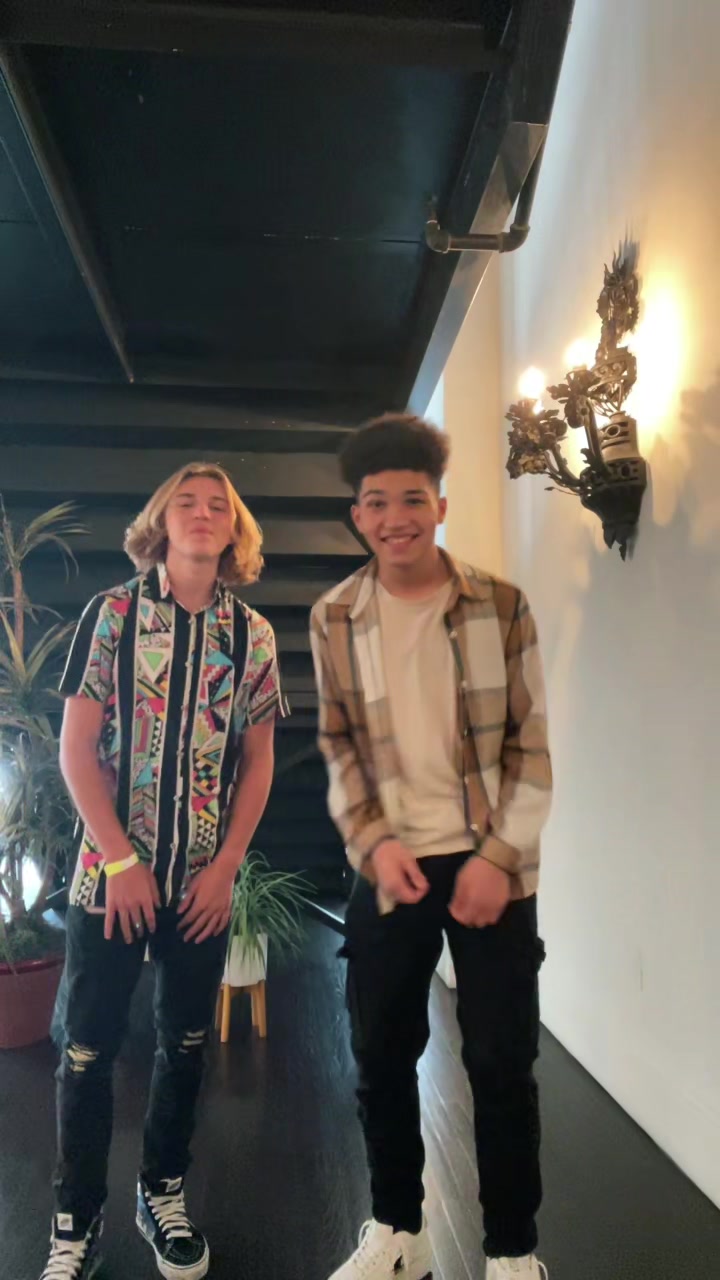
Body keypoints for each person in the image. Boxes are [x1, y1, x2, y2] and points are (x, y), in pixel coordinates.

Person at [310, 415, 552, 1280]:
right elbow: (339, 745)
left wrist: (497, 858)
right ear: (358, 517)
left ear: (439, 506)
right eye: (376, 503)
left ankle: (513, 1249)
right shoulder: (335, 616)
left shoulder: (501, 605)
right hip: (389, 867)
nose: (395, 517)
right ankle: (396, 1232)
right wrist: (372, 843)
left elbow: (530, 746)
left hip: (491, 865)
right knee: (380, 1054)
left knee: (501, 1060)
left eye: (412, 499)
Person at [41, 462, 285, 1280]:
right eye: (187, 501)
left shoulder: (253, 636)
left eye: (219, 504)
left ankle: (162, 1193)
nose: (203, 512)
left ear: (235, 528)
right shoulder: (110, 615)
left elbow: (258, 760)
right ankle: (75, 1221)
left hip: (201, 886)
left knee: (185, 1046)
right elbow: (76, 750)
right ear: (161, 520)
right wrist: (119, 859)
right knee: (87, 1051)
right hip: (109, 881)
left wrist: (227, 868)